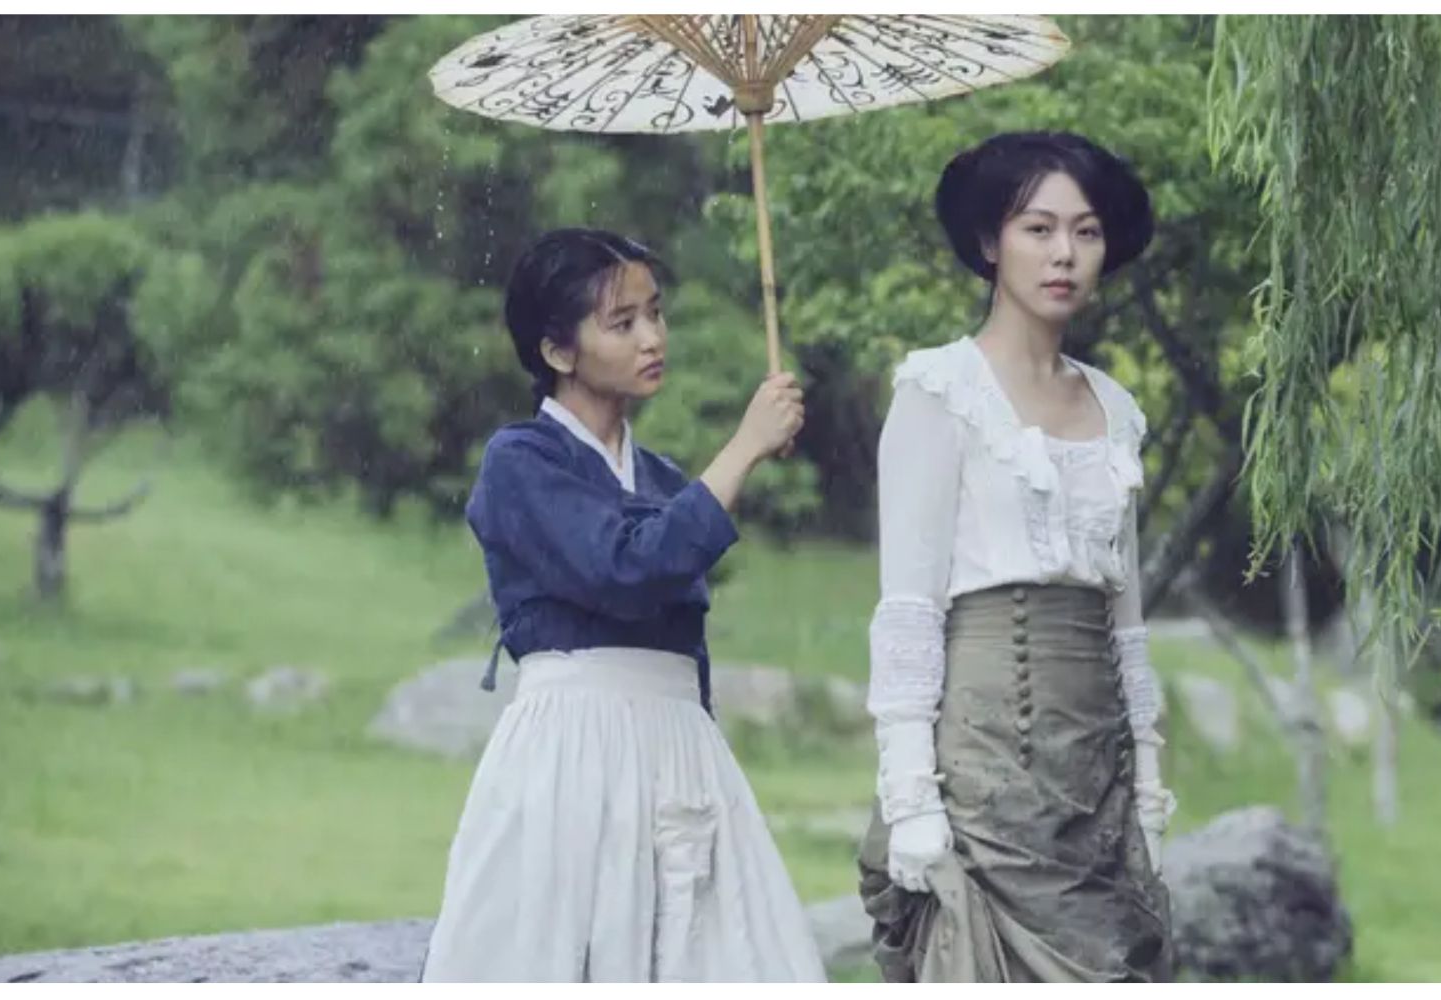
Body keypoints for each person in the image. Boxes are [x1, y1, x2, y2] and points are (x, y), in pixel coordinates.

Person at [421, 227, 826, 982]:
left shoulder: (665, 479)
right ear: (556, 351)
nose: (652, 337)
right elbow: (624, 570)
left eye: (656, 313)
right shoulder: (520, 461)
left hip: (679, 749)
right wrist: (741, 450)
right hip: (574, 749)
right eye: (622, 322)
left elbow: (681, 627)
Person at [857, 132, 1176, 982]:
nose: (1064, 253)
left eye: (1086, 231)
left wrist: (1147, 777)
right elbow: (910, 611)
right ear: (989, 244)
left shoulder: (1116, 406)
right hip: (984, 760)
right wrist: (912, 797)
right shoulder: (940, 392)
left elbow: (1128, 617)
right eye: (1038, 229)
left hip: (1094, 761)